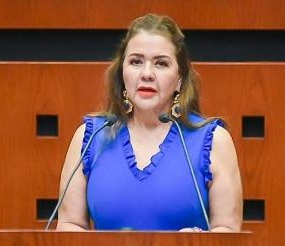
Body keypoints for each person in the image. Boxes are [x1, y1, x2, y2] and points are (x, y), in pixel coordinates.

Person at [54, 14, 242, 232]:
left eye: (161, 63)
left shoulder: (213, 141)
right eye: (136, 62)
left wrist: (198, 245)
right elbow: (69, 224)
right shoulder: (90, 137)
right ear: (122, 72)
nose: (147, 74)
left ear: (180, 78)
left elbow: (228, 231)